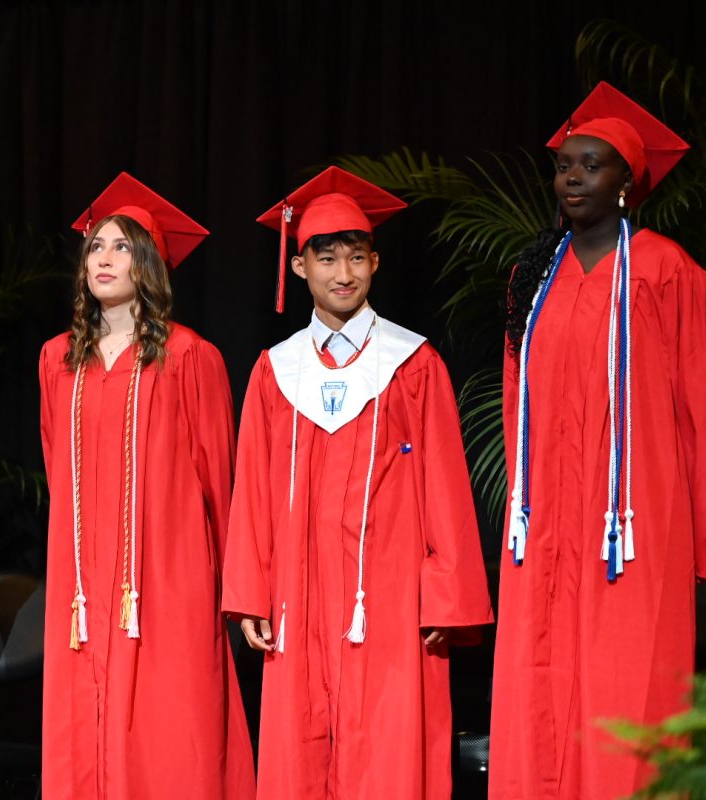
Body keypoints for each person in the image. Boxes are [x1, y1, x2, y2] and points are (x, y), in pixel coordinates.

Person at [489, 82, 706, 799]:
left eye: (592, 165)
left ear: (628, 181)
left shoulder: (669, 273)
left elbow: (702, 411)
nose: (573, 177)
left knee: (629, 685)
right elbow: (513, 405)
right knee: (539, 681)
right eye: (565, 164)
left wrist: (694, 534)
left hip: (632, 526)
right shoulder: (529, 279)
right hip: (545, 528)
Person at [222, 166, 493, 799]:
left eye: (355, 257)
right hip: (298, 592)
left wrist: (446, 595)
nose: (342, 272)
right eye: (325, 258)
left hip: (389, 599)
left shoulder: (412, 364)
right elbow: (254, 492)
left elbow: (447, 487)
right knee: (299, 747)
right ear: (299, 268)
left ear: (375, 263)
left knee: (389, 748)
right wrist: (250, 592)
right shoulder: (275, 373)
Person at [38, 172, 255, 800]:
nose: (103, 258)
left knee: (172, 732)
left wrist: (228, 589)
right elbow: (58, 467)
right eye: (95, 247)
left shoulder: (191, 357)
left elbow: (221, 483)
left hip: (167, 578)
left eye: (122, 246)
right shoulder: (57, 361)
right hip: (82, 586)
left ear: (150, 262)